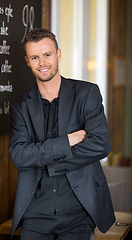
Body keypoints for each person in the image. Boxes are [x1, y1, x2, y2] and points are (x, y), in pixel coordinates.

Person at [9, 28, 115, 240]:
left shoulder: (86, 94)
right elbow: (19, 156)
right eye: (35, 57)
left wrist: (48, 161)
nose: (42, 63)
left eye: (47, 54)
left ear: (58, 54)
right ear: (27, 61)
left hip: (79, 212)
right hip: (35, 214)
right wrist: (67, 141)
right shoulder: (20, 106)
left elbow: (101, 144)